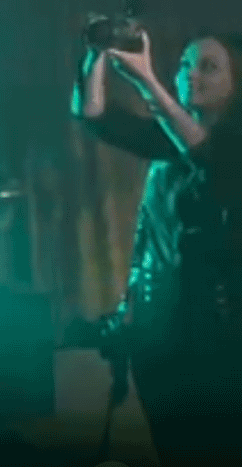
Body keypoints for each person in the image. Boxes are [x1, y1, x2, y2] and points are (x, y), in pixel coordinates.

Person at [73, 30, 242, 466]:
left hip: (223, 343)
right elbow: (94, 113)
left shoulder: (230, 149)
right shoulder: (170, 141)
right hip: (161, 339)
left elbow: (210, 158)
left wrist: (147, 80)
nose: (190, 75)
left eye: (208, 67)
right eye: (185, 65)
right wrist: (97, 53)